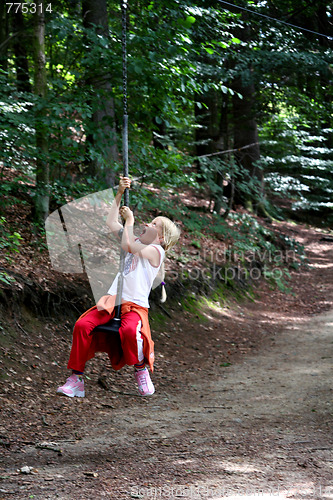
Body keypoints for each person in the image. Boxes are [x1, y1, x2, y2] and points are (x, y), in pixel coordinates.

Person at [57, 176, 180, 398]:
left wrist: (130, 220)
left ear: (161, 238)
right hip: (113, 300)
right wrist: (120, 193)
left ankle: (141, 369)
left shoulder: (157, 252)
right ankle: (76, 379)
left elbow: (128, 245)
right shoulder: (136, 242)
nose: (147, 224)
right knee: (82, 325)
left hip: (134, 305)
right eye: (149, 221)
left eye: (153, 225)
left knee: (131, 331)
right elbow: (112, 223)